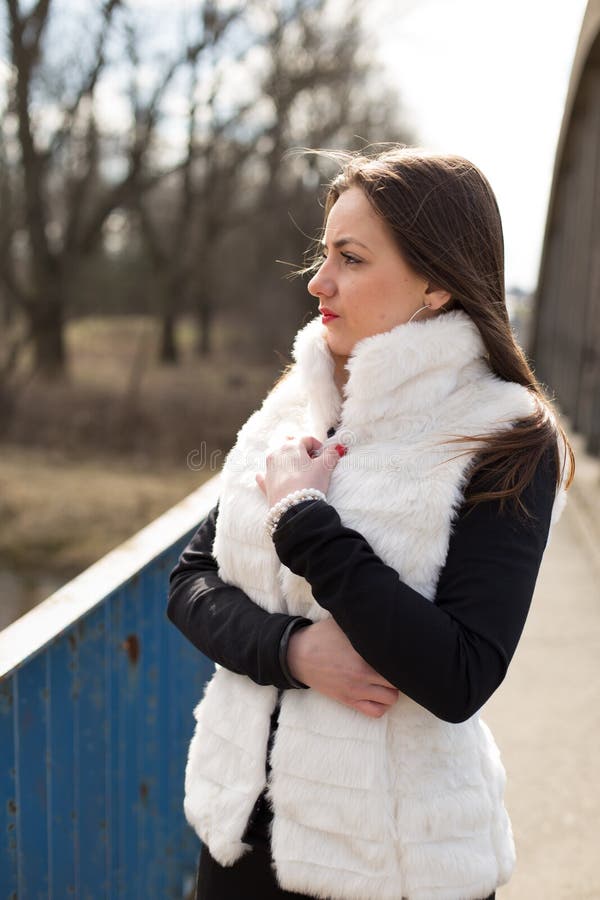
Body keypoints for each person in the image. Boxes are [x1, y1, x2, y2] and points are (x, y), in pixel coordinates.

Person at [168, 146, 574, 900]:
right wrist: (290, 651)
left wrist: (306, 523)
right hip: (236, 847)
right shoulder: (296, 400)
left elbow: (460, 674)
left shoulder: (505, 436)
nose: (319, 283)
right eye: (324, 256)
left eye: (350, 259)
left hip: (394, 868)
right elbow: (190, 582)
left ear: (439, 284)